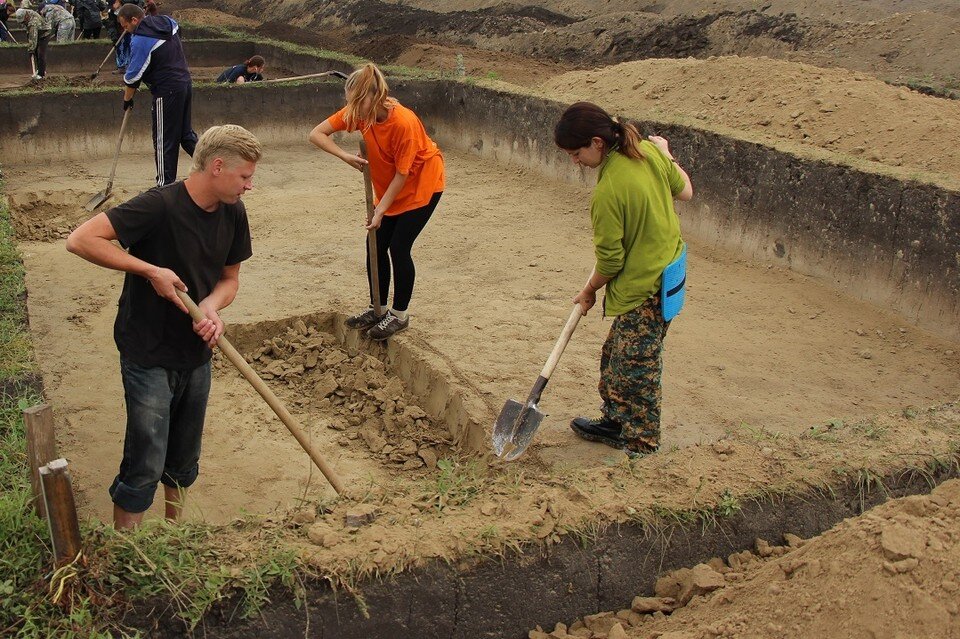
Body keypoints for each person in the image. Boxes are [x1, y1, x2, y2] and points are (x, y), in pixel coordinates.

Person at [65, 124, 262, 530]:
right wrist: (150, 269)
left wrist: (211, 305)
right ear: (218, 167)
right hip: (148, 352)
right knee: (145, 461)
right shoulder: (159, 206)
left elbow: (230, 278)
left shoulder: (234, 212)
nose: (249, 186)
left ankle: (175, 537)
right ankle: (128, 551)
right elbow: (81, 240)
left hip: (195, 354)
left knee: (183, 460)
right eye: (245, 177)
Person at [553, 101, 693, 458]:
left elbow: (611, 261)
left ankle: (641, 444)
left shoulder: (608, 192)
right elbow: (686, 191)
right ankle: (615, 422)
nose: (575, 161)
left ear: (597, 143)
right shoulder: (647, 150)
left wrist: (588, 290)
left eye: (576, 152)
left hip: (646, 287)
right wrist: (666, 153)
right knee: (615, 356)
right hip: (667, 272)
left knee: (636, 370)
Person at [309, 63, 444, 340]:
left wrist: (380, 209)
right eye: (351, 104)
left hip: (422, 186)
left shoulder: (403, 123)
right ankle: (378, 308)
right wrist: (345, 156)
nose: (353, 111)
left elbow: (402, 174)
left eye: (358, 103)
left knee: (398, 246)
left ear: (376, 96)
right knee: (375, 244)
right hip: (390, 186)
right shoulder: (361, 114)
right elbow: (317, 134)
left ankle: (399, 315)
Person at [118, 2, 197, 187]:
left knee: (164, 140)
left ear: (135, 20)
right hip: (185, 83)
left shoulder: (140, 40)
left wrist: (127, 100)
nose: (125, 29)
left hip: (166, 90)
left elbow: (132, 77)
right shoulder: (168, 22)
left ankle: (164, 185)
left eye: (125, 25)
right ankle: (214, 168)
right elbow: (164, 26)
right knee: (186, 135)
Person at [8, 2, 51, 80]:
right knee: (35, 51)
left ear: (26, 16)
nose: (23, 22)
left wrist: (31, 49)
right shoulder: (27, 15)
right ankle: (39, 70)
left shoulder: (33, 22)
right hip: (37, 31)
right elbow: (29, 33)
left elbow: (33, 37)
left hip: (44, 33)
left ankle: (41, 74)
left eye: (23, 20)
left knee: (41, 53)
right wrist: (32, 48)